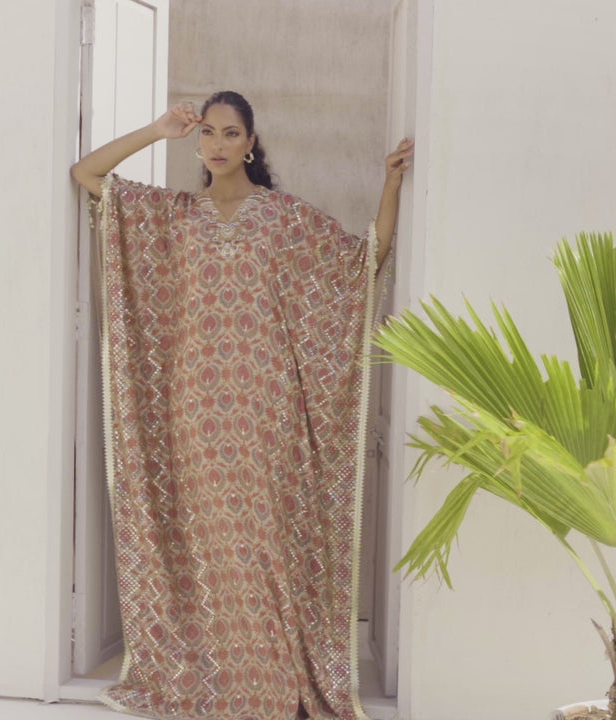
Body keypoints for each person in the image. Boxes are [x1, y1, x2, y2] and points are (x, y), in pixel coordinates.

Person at [71, 91, 413, 720]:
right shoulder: (173, 216)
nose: (218, 145)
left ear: (251, 143)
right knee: (210, 543)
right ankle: (224, 670)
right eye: (207, 132)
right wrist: (157, 130)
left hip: (266, 408)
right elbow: (86, 175)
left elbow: (363, 260)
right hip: (195, 411)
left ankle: (276, 673)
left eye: (231, 133)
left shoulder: (283, 219)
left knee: (264, 538)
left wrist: (390, 185)